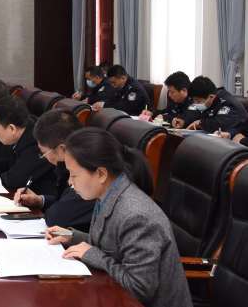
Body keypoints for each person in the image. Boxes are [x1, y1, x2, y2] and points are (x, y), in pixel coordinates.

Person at [46, 128, 190, 307]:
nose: (70, 182)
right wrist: (72, 237)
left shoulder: (137, 216)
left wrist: (92, 255)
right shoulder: (108, 193)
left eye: (74, 175)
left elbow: (139, 288)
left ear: (101, 174)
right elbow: (112, 247)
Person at [13, 109, 95, 231]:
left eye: (44, 153)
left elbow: (58, 217)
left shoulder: (88, 168)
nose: (70, 181)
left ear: (62, 149)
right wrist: (40, 201)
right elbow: (65, 203)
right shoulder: (70, 165)